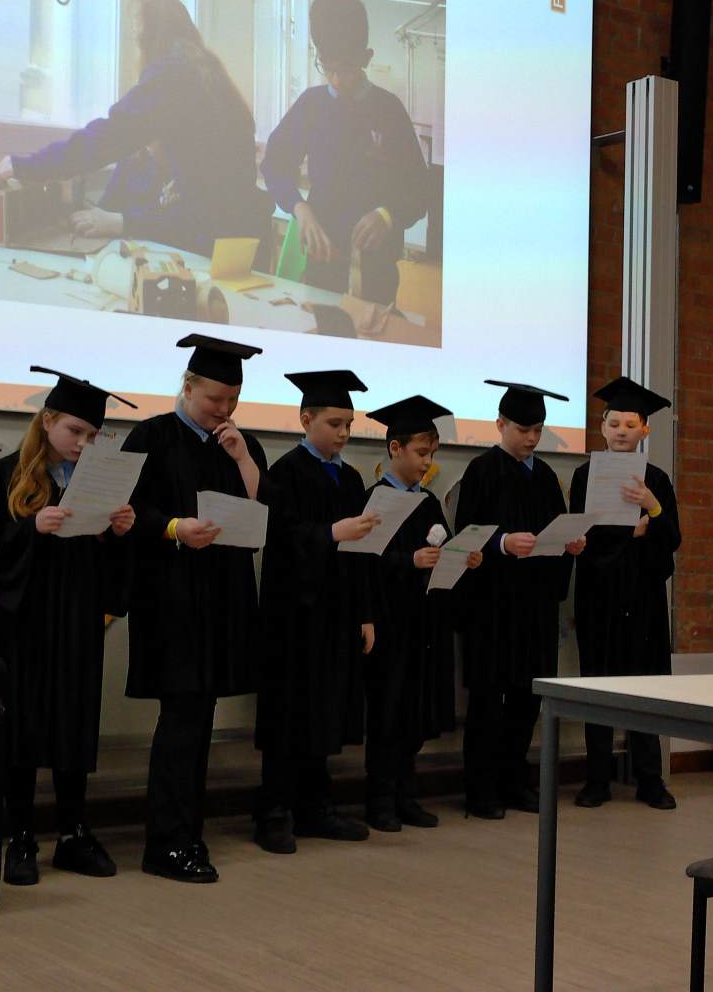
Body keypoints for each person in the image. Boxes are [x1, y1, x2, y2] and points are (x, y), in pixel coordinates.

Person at [0, 366, 137, 887]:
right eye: (74, 431)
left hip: (79, 615)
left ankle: (73, 831)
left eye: (93, 435)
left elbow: (111, 563)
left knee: (74, 717)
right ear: (47, 421)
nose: (83, 444)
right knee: (22, 719)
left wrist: (119, 533)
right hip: (27, 620)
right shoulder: (4, 475)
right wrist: (30, 529)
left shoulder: (98, 481)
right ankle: (20, 833)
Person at [119, 333, 268, 883]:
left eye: (232, 400)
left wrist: (241, 456)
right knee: (180, 721)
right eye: (213, 399)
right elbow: (127, 506)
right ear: (187, 387)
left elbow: (260, 507)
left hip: (223, 597)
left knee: (201, 720)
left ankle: (188, 835)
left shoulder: (240, 444)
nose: (223, 410)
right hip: (173, 598)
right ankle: (166, 842)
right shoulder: (151, 435)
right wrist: (174, 527)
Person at [0, 0, 269, 257]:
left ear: (148, 39)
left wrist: (29, 166)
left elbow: (110, 137)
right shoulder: (210, 75)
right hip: (238, 243)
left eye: (137, 37)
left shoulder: (173, 74)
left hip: (207, 243)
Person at [251, 370, 381, 853]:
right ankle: (274, 811)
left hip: (337, 613)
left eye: (349, 424)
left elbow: (361, 553)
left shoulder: (350, 478)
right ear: (306, 420)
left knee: (325, 710)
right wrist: (329, 533)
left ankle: (316, 807)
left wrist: (365, 613)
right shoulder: (285, 473)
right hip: (294, 616)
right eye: (334, 423)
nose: (344, 433)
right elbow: (279, 538)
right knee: (290, 711)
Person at [454, 380, 585, 818]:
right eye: (523, 429)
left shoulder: (545, 476)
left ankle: (514, 781)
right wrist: (503, 542)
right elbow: (465, 534)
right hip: (492, 607)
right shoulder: (481, 471)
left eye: (538, 430)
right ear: (500, 424)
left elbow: (554, 529)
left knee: (527, 699)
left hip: (535, 606)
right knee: (489, 700)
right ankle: (481, 791)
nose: (531, 438)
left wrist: (569, 544)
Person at [261, 0, 430, 307]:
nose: (337, 80)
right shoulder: (311, 106)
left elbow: (419, 190)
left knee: (372, 330)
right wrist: (300, 208)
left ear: (366, 58)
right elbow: (275, 165)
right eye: (328, 67)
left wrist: (387, 215)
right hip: (322, 259)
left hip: (377, 266)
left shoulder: (388, 110)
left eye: (347, 69)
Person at [361, 395, 478, 832]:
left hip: (425, 624)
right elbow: (365, 563)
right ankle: (380, 800)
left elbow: (442, 549)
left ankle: (406, 795)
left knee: (414, 711)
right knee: (387, 712)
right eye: (421, 453)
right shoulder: (375, 500)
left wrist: (462, 558)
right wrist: (408, 561)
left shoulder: (428, 501)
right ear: (396, 448)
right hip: (391, 623)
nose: (428, 462)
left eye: (432, 454)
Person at [568, 377, 682, 811]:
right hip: (599, 597)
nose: (620, 432)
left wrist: (652, 506)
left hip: (643, 598)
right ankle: (597, 778)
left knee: (645, 689)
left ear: (644, 430)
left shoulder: (657, 479)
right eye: (613, 424)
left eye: (630, 425)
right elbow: (583, 535)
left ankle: (650, 779)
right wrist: (627, 534)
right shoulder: (584, 476)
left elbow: (671, 538)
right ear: (602, 427)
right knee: (598, 685)